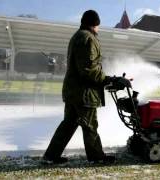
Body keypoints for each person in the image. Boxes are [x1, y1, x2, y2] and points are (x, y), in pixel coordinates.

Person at [42, 10, 115, 164]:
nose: (99, 29)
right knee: (90, 126)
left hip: (73, 91)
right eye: (98, 26)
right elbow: (89, 68)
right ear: (95, 24)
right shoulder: (88, 38)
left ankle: (50, 156)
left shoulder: (77, 36)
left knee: (68, 124)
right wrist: (107, 79)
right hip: (84, 93)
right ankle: (96, 157)